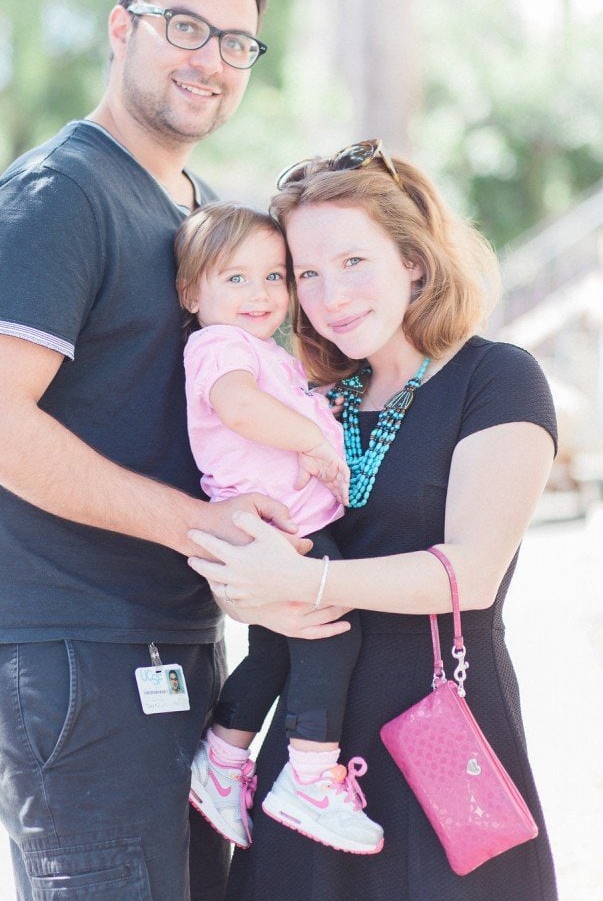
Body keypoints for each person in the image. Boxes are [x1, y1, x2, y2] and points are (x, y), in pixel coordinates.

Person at [0, 0, 347, 901]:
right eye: (183, 26)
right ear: (121, 27)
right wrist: (200, 526)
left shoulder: (200, 217)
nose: (209, 58)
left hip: (176, 636)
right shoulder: (59, 197)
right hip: (75, 648)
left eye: (236, 42)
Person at [187, 139, 559, 901]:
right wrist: (245, 580)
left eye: (353, 262)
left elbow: (472, 572)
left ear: (413, 261)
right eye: (306, 274)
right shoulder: (308, 402)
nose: (328, 296)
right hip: (310, 759)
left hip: (440, 738)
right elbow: (255, 553)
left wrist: (302, 578)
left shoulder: (494, 378)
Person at [174, 201, 383, 855]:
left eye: (273, 277)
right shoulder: (219, 346)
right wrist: (313, 447)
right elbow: (235, 407)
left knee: (271, 653)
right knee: (331, 636)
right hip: (276, 530)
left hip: (284, 526)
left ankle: (222, 759)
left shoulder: (265, 351)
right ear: (190, 292)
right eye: (234, 278)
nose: (259, 293)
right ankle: (312, 776)